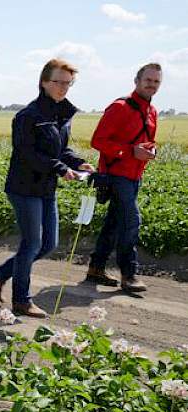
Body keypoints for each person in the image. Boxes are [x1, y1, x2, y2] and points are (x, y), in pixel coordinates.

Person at [0, 58, 94, 318]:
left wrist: (78, 162)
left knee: (48, 244)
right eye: (59, 82)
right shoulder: (28, 116)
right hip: (23, 187)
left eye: (68, 83)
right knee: (32, 242)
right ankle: (21, 300)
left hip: (46, 188)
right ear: (44, 82)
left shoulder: (60, 114)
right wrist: (60, 168)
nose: (64, 87)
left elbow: (59, 149)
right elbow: (26, 153)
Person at [85, 63, 162, 294]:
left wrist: (151, 152)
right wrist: (130, 152)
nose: (152, 85)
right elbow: (97, 141)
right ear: (137, 81)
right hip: (116, 176)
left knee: (115, 223)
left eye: (156, 81)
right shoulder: (119, 107)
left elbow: (148, 142)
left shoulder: (153, 111)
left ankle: (96, 268)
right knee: (131, 221)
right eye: (148, 80)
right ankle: (129, 274)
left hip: (134, 176)